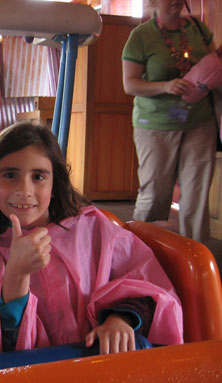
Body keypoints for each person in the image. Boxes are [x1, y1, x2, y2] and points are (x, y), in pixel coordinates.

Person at [0, 122, 183, 356]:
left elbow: (151, 289)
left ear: (54, 184)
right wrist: (17, 274)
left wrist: (119, 319)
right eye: (10, 175)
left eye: (38, 176)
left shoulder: (96, 231)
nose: (25, 189)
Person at [122, 0, 217, 242]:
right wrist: (166, 86)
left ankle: (196, 259)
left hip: (199, 122)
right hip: (155, 125)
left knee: (196, 194)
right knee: (154, 192)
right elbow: (130, 84)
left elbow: (215, 64)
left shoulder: (198, 29)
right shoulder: (141, 36)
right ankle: (137, 249)